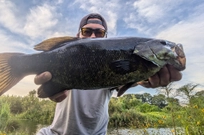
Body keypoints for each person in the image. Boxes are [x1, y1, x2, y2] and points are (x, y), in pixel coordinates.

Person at [36, 13, 182, 135]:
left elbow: (132, 80)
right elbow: (47, 88)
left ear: (106, 38)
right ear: (77, 35)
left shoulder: (115, 67)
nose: (93, 36)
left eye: (99, 32)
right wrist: (52, 88)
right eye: (87, 31)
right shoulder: (63, 56)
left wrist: (147, 79)